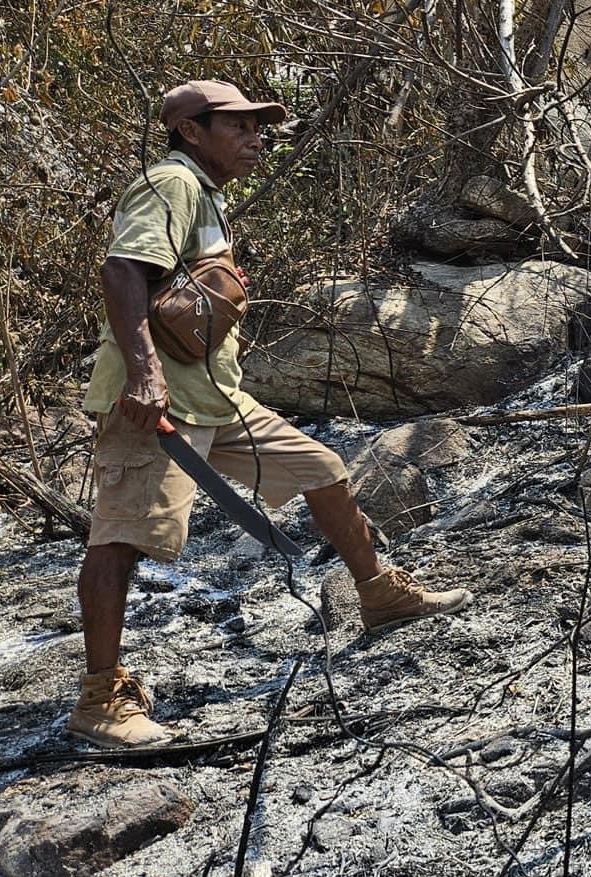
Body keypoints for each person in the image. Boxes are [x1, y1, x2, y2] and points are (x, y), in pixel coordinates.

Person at [72, 79, 472, 749]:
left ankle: (378, 593)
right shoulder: (170, 182)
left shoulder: (208, 195)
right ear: (193, 132)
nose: (257, 137)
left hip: (216, 398)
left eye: (260, 126)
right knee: (121, 536)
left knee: (321, 467)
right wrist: (143, 374)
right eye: (240, 126)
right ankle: (100, 699)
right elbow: (121, 272)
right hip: (156, 404)